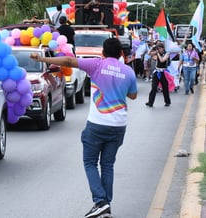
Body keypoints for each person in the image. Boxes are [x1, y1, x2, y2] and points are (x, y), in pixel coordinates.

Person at [29, 38, 137, 218]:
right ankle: (105, 206)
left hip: (97, 125)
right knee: (108, 165)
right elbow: (132, 95)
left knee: (90, 162)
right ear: (120, 54)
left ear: (103, 52)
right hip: (118, 125)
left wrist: (42, 60)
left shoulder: (96, 64)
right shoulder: (128, 72)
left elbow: (68, 61)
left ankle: (101, 202)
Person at [146, 43, 171, 107]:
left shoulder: (167, 53)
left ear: (163, 48)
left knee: (165, 87)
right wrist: (152, 48)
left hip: (163, 72)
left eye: (160, 48)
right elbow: (149, 53)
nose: (159, 49)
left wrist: (157, 54)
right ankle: (150, 102)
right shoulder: (157, 53)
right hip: (157, 72)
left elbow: (162, 60)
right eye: (158, 48)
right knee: (154, 87)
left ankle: (167, 101)